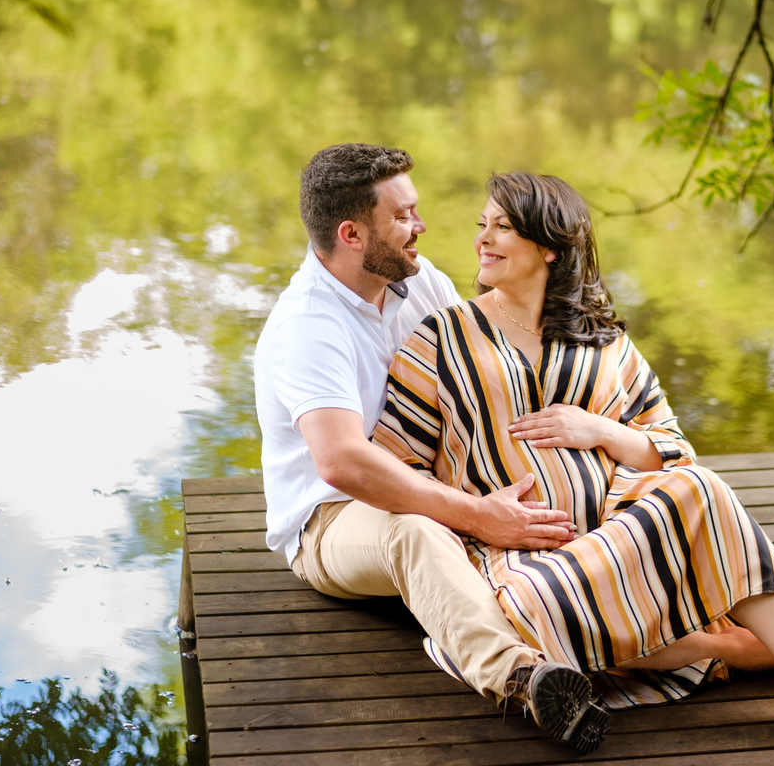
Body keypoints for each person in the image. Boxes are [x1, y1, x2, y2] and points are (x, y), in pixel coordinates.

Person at [372, 171, 774, 750]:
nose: (483, 238)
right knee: (525, 611)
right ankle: (729, 645)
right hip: (519, 554)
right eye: (483, 225)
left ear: (549, 247)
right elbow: (396, 466)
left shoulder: (603, 340)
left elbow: (671, 448)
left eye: (503, 227)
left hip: (621, 528)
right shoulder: (441, 336)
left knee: (699, 487)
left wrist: (600, 429)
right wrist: (476, 512)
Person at [254, 144, 612, 752]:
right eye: (402, 216)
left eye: (415, 210)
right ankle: (525, 679)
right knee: (416, 532)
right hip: (334, 519)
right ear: (352, 234)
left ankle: (720, 612)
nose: (420, 225)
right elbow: (342, 463)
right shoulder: (307, 327)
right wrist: (477, 514)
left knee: (571, 495)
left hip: (435, 485)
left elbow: (482, 380)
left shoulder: (421, 284)